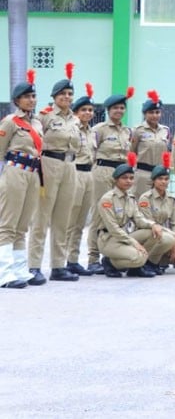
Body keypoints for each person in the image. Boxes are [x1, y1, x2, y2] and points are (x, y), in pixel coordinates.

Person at [27, 62, 81, 284]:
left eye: (70, 94)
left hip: (70, 165)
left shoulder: (75, 119)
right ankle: (33, 266)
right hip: (49, 163)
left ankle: (58, 265)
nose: (67, 97)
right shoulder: (45, 116)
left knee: (63, 218)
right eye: (63, 94)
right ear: (55, 96)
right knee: (42, 216)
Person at [94, 154, 175, 279]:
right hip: (109, 239)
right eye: (124, 178)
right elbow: (113, 228)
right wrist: (134, 243)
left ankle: (135, 268)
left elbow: (138, 219)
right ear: (116, 180)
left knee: (153, 232)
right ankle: (110, 263)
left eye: (131, 178)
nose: (128, 181)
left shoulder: (130, 198)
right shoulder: (108, 199)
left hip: (124, 236)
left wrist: (153, 225)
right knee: (140, 257)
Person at [0, 71, 42, 288]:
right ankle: (4, 273)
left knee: (22, 225)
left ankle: (19, 270)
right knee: (7, 224)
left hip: (33, 174)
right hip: (15, 171)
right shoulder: (10, 121)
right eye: (26, 97)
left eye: (33, 96)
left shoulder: (37, 123)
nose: (31, 100)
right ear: (17, 100)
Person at [87, 86, 135, 273]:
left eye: (122, 108)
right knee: (99, 214)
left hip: (121, 174)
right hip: (103, 171)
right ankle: (93, 258)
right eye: (115, 108)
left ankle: (113, 255)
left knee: (119, 215)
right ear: (108, 110)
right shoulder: (99, 129)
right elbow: (90, 152)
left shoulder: (128, 131)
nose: (119, 111)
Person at [137, 152, 175, 274]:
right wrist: (172, 237)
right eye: (160, 179)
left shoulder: (171, 199)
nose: (163, 182)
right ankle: (150, 263)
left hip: (167, 237)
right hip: (150, 234)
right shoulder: (145, 198)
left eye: (166, 179)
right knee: (167, 238)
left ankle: (161, 261)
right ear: (153, 181)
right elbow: (147, 223)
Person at [64, 83, 97, 276]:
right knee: (70, 219)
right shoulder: (72, 128)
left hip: (89, 174)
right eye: (84, 110)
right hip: (74, 172)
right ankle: (62, 259)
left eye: (91, 110)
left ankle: (73, 260)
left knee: (80, 221)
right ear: (76, 112)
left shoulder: (92, 132)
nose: (88, 113)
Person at [131, 89, 171, 199]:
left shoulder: (165, 131)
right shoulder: (137, 130)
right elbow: (131, 152)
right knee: (141, 203)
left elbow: (167, 152)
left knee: (158, 203)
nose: (154, 115)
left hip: (160, 175)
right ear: (145, 114)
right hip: (143, 174)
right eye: (151, 112)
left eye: (157, 112)